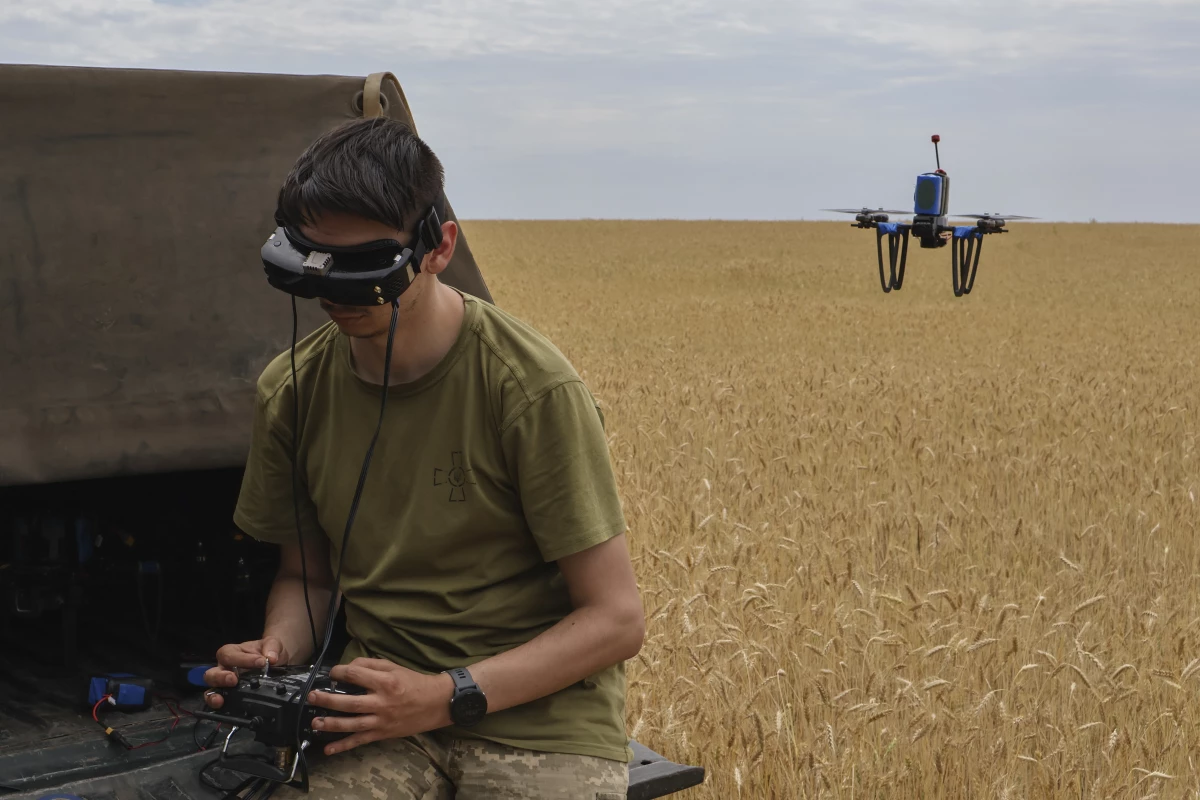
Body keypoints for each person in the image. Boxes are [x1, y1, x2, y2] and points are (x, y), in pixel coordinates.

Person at [202, 116, 644, 799]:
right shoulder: (292, 391)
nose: (333, 292)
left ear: (438, 247)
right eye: (314, 262)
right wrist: (275, 651)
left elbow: (615, 619)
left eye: (364, 268)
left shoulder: (528, 389)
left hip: (540, 719)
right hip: (377, 709)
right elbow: (308, 579)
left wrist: (441, 696)